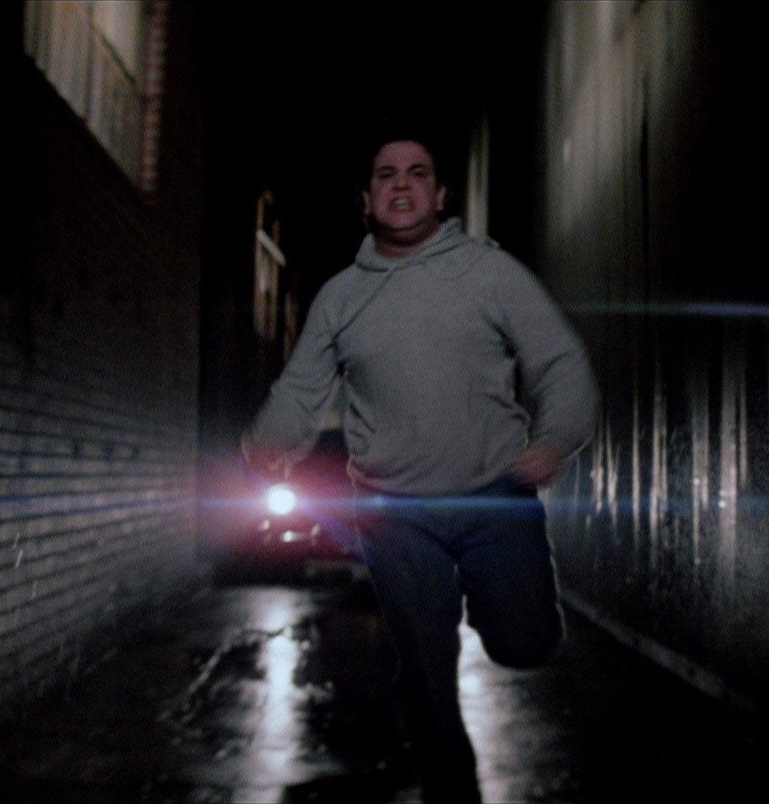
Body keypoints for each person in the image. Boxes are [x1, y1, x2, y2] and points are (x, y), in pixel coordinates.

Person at [241, 122, 598, 802]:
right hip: (394, 510)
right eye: (385, 175)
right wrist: (269, 442)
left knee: (526, 643)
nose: (400, 186)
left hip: (492, 496)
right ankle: (450, 790)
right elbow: (300, 387)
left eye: (415, 173)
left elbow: (559, 361)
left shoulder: (490, 274)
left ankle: (489, 600)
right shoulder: (342, 296)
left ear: (439, 195)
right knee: (425, 671)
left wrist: (556, 439)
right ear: (366, 201)